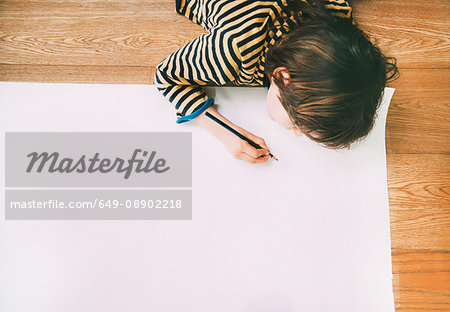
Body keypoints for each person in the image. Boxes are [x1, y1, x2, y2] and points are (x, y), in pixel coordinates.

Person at [153, 0, 399, 164]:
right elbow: (167, 76)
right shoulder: (234, 52)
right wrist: (226, 132)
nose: (296, 135)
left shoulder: (338, 13)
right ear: (282, 77)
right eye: (296, 124)